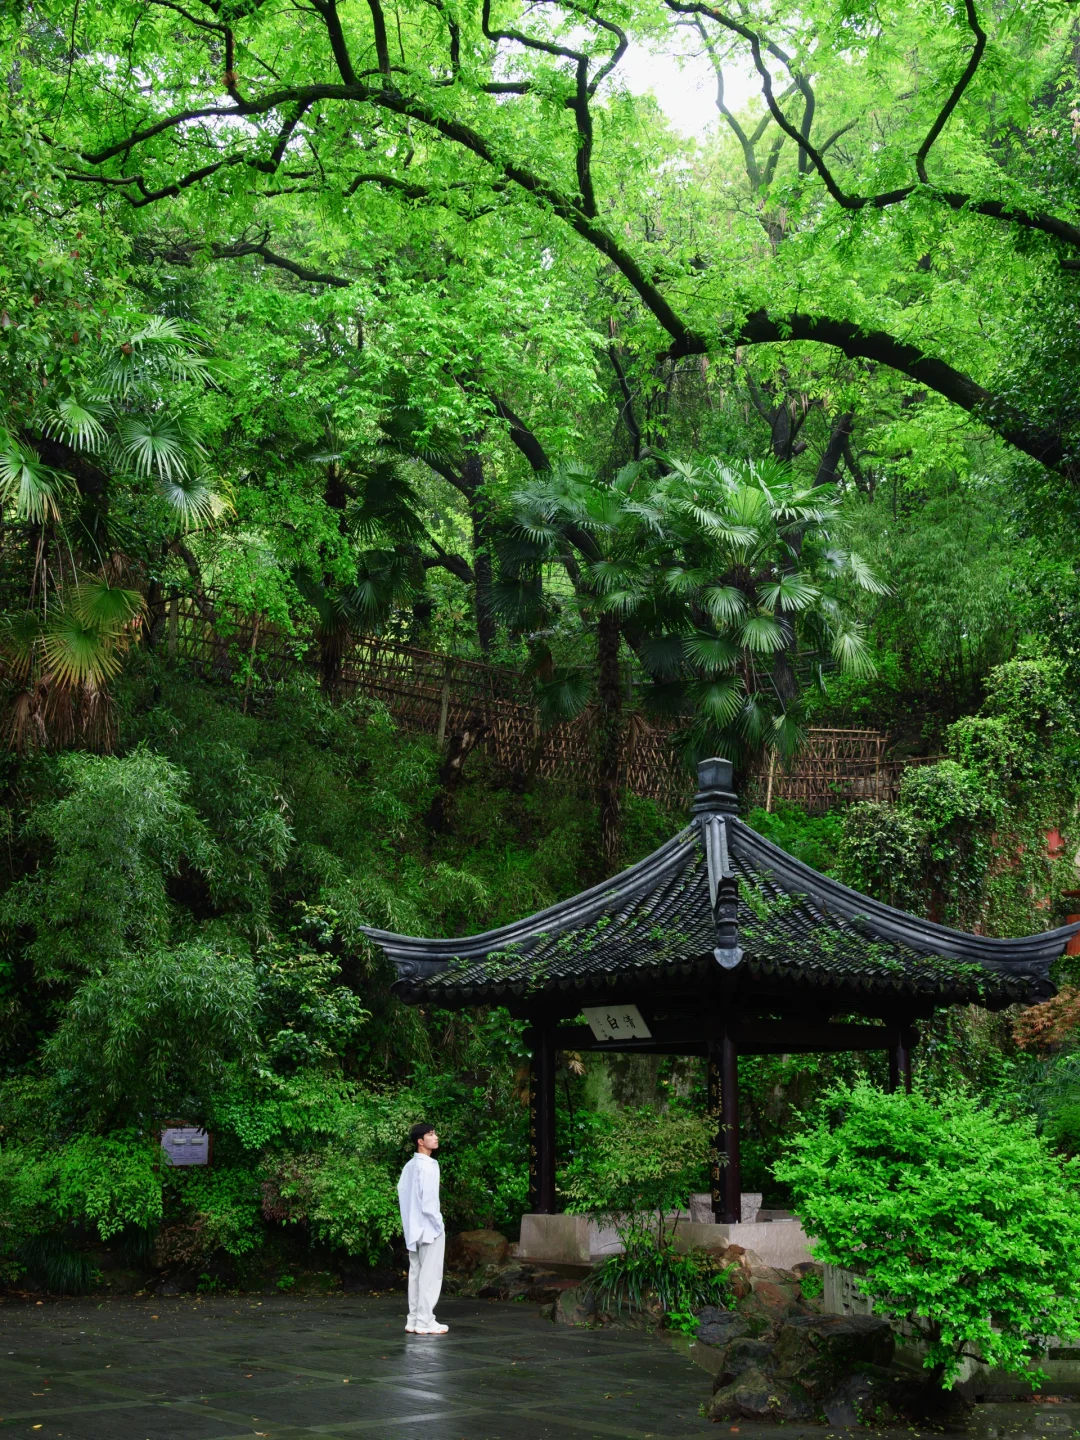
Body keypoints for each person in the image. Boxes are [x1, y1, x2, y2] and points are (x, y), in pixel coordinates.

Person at [397, 1121, 447, 1335]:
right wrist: (439, 1224)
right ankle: (425, 1321)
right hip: (429, 1229)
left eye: (435, 1133)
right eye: (430, 1134)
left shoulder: (410, 1166)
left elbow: (403, 1195)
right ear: (420, 1141)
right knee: (430, 1275)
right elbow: (429, 1203)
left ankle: (414, 1319)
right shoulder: (428, 1165)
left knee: (416, 1274)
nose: (435, 1137)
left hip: (413, 1229)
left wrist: (410, 1224)